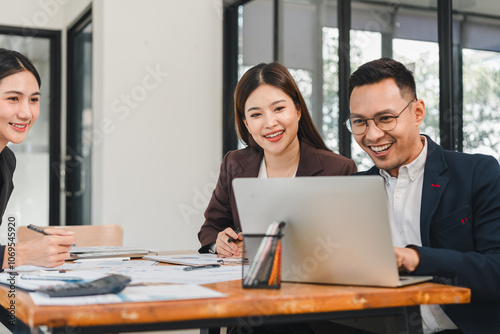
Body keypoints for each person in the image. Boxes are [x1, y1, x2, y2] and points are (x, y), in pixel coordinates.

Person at [346, 58, 500, 333]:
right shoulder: (351, 190)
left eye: (385, 118)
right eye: (360, 122)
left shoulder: (477, 173)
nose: (372, 135)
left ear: (417, 113)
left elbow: (496, 270)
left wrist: (416, 259)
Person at [198, 62, 357, 259]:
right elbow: (211, 228)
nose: (270, 123)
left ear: (298, 110)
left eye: (279, 108)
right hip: (245, 285)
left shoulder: (338, 170)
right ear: (246, 124)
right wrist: (219, 243)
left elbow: (345, 244)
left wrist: (264, 248)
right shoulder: (234, 164)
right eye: (256, 114)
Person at [0, 49, 75, 270]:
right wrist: (22, 253)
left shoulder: (6, 160)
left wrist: (34, 248)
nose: (26, 113)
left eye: (34, 100)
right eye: (13, 98)